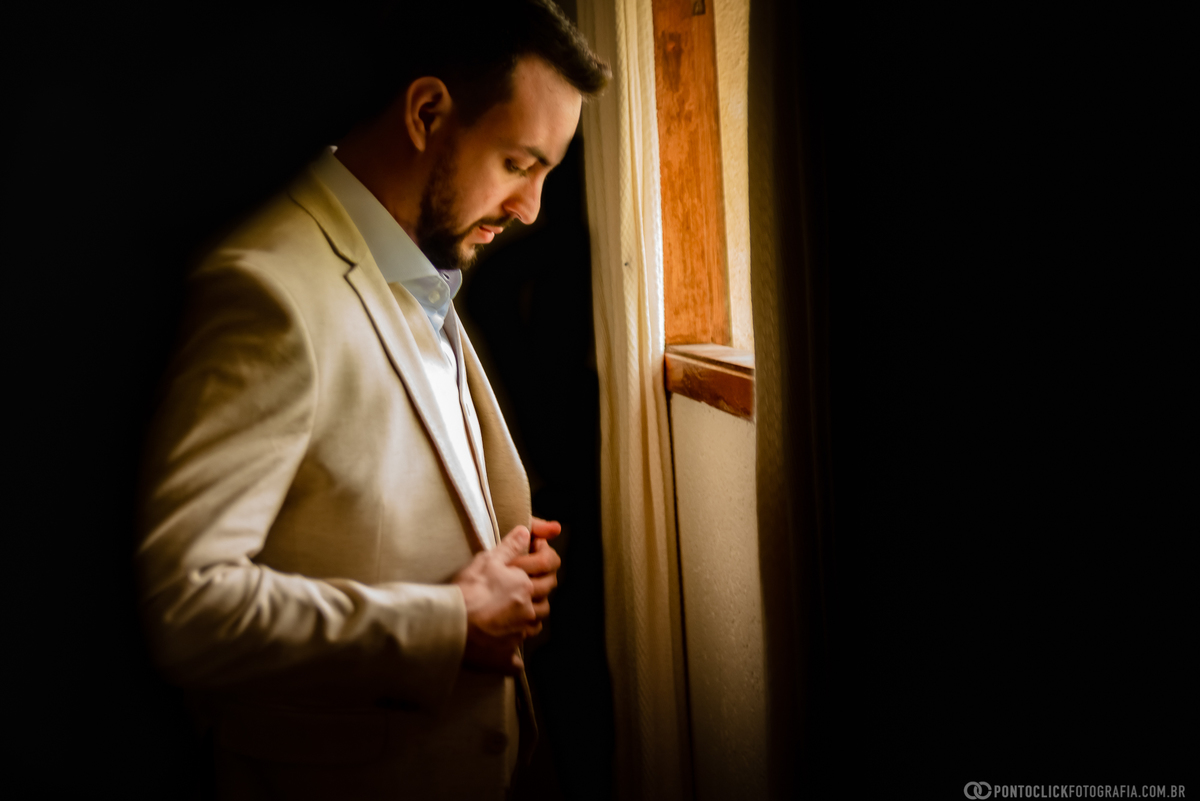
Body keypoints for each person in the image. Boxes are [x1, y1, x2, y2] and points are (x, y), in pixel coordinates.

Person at [134, 2, 610, 797]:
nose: (532, 210)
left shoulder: (414, 257)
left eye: (547, 174)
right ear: (427, 113)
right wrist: (452, 619)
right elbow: (186, 606)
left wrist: (500, 572)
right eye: (519, 164)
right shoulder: (269, 289)